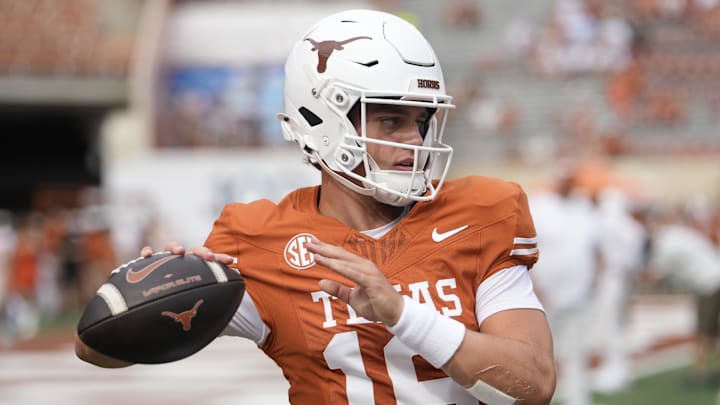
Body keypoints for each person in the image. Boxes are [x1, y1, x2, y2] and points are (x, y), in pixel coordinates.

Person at [75, 9, 556, 405]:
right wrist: (152, 290)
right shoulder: (260, 240)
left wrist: (400, 313)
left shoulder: (480, 212)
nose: (414, 141)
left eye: (421, 121)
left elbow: (532, 386)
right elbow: (95, 347)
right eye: (391, 120)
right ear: (322, 120)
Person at [527, 166, 600, 405]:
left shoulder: (583, 207)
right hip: (547, 293)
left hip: (579, 290)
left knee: (578, 346)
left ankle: (578, 395)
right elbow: (527, 249)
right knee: (543, 349)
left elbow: (593, 247)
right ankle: (544, 395)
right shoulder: (540, 206)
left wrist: (594, 279)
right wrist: (534, 285)